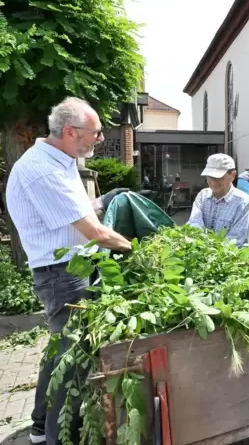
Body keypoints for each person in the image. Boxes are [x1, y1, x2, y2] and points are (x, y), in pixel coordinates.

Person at [5, 97, 133, 445]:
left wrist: (106, 203)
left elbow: (79, 213)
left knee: (61, 352)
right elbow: (94, 232)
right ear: (71, 132)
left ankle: (39, 426)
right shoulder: (43, 170)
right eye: (95, 132)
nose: (101, 138)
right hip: (62, 273)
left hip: (69, 267)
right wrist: (135, 248)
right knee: (74, 356)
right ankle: (59, 438)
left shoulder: (60, 160)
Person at [187, 153, 249, 246]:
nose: (213, 182)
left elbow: (235, 239)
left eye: (218, 177)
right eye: (209, 177)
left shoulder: (242, 201)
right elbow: (194, 223)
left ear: (232, 176)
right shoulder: (202, 196)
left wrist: (209, 251)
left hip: (230, 258)